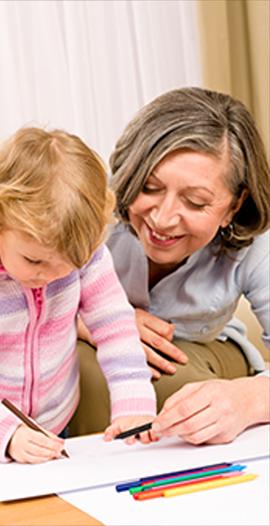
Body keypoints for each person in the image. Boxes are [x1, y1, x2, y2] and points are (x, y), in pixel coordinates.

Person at [0, 127, 156, 465]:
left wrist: (134, 404)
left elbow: (116, 329)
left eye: (67, 266)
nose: (48, 277)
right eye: (34, 261)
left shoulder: (86, 257)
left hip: (51, 427)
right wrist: (7, 434)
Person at [70, 87, 270, 446]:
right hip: (96, 348)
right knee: (88, 368)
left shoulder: (258, 244)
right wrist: (97, 319)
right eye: (150, 187)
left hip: (208, 348)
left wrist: (248, 400)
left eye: (195, 203)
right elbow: (15, 290)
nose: (162, 219)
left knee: (172, 390)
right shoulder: (91, 205)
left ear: (234, 205)